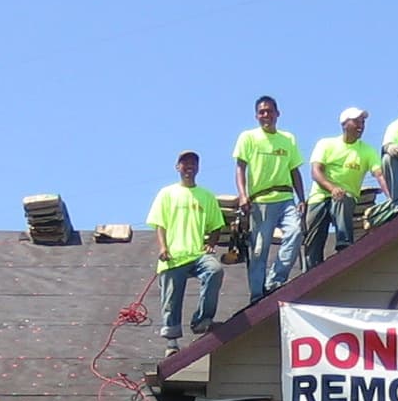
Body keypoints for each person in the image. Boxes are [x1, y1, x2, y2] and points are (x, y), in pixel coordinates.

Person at [146, 151, 228, 353]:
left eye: (193, 163)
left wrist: (212, 243)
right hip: (174, 256)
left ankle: (201, 320)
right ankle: (171, 342)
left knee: (215, 270)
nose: (189, 166)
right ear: (177, 167)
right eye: (184, 163)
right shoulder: (167, 193)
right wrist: (163, 247)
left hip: (197, 254)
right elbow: (159, 223)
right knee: (172, 297)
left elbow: (217, 224)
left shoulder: (206, 196)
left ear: (198, 168)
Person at [231, 96, 306, 305]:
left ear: (277, 114)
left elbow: (294, 170)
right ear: (256, 116)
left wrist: (302, 198)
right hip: (260, 200)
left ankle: (275, 281)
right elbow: (240, 168)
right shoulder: (248, 137)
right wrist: (243, 195)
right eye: (262, 112)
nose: (266, 115)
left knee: (295, 232)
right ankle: (257, 295)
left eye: (270, 111)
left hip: (285, 197)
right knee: (259, 249)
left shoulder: (288, 138)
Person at [302, 108, 382, 275]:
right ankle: (311, 273)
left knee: (342, 198)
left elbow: (379, 173)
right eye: (357, 121)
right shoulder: (326, 144)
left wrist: (391, 194)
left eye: (363, 122)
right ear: (345, 124)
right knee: (313, 241)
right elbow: (316, 171)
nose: (361, 125)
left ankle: (344, 246)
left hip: (345, 198)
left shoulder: (367, 150)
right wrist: (332, 188)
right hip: (320, 197)